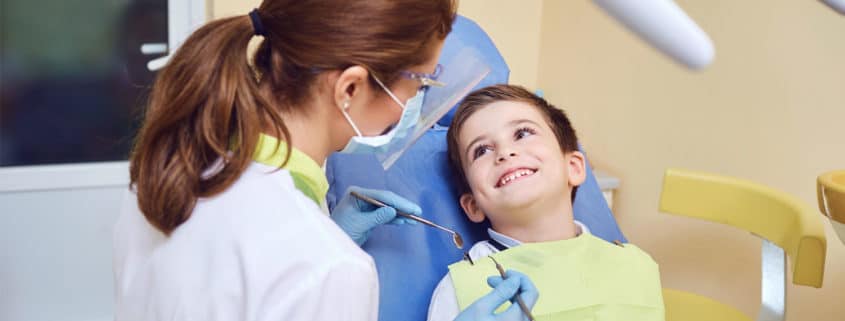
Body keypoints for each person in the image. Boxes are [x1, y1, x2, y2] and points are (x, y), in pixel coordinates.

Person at [112, 1, 538, 320]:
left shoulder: (167, 175)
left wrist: (326, 227)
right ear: (350, 89)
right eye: (420, 85)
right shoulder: (329, 265)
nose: (418, 104)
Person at [428, 85, 665, 321]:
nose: (505, 152)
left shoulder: (638, 266)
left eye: (522, 134)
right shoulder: (459, 289)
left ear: (573, 167)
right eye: (481, 150)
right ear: (473, 205)